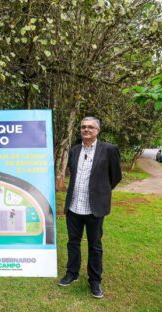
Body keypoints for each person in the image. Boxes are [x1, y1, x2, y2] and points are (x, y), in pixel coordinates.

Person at [58, 116, 122, 298]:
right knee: (73, 242)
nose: (86, 130)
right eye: (83, 127)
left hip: (95, 208)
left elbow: (116, 176)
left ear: (97, 130)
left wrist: (101, 191)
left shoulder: (109, 150)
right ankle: (72, 273)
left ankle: (95, 281)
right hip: (74, 206)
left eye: (90, 127)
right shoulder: (75, 150)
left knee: (95, 245)